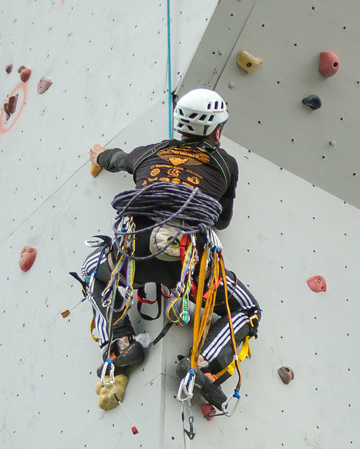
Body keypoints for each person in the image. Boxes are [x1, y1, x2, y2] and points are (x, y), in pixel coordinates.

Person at [81, 89, 261, 409]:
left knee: (96, 268)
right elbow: (221, 221)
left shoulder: (147, 153)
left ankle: (121, 343)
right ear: (217, 130)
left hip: (137, 255)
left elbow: (117, 158)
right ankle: (201, 366)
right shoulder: (225, 164)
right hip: (190, 266)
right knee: (245, 309)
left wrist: (99, 155)